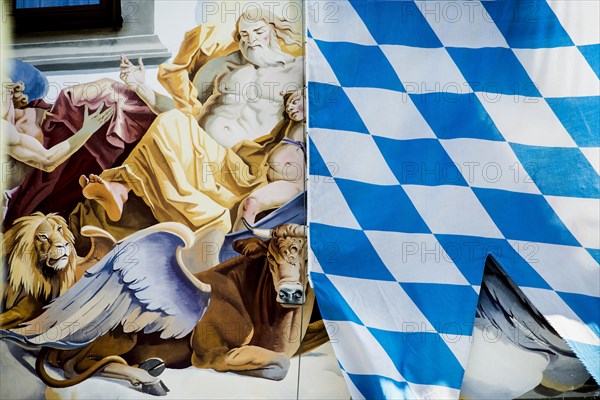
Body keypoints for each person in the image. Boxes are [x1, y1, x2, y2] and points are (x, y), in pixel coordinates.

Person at [80, 89, 305, 236]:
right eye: (290, 104)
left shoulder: (315, 130)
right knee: (174, 120)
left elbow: (256, 201)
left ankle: (122, 187)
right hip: (239, 169)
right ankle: (120, 187)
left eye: (298, 102)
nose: (291, 108)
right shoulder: (289, 128)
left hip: (248, 185)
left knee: (176, 136)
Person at [119, 9, 302, 148]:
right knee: (165, 126)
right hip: (198, 145)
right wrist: (139, 86)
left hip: (246, 158)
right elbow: (186, 111)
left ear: (275, 30)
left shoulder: (298, 70)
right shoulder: (222, 66)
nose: (251, 40)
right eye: (244, 34)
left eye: (259, 32)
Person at [232, 89, 305, 231]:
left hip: (292, 185)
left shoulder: (313, 127)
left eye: (295, 102)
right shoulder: (293, 125)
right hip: (273, 180)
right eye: (288, 106)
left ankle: (235, 246)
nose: (290, 108)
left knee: (250, 204)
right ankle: (236, 245)